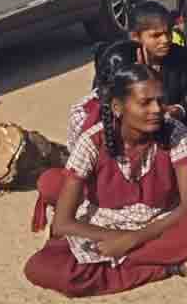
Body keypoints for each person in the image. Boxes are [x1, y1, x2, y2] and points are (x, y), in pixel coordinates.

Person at [24, 62, 187, 297]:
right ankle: (167, 266)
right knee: (41, 268)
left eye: (160, 101)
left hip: (160, 224)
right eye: (145, 103)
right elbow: (62, 222)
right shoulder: (92, 142)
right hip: (107, 226)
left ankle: (131, 263)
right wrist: (116, 238)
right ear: (118, 107)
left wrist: (133, 239)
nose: (157, 109)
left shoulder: (175, 132)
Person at [33, 41, 143, 236]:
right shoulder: (86, 117)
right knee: (51, 183)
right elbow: (79, 166)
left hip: (138, 193)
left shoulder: (150, 100)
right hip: (106, 191)